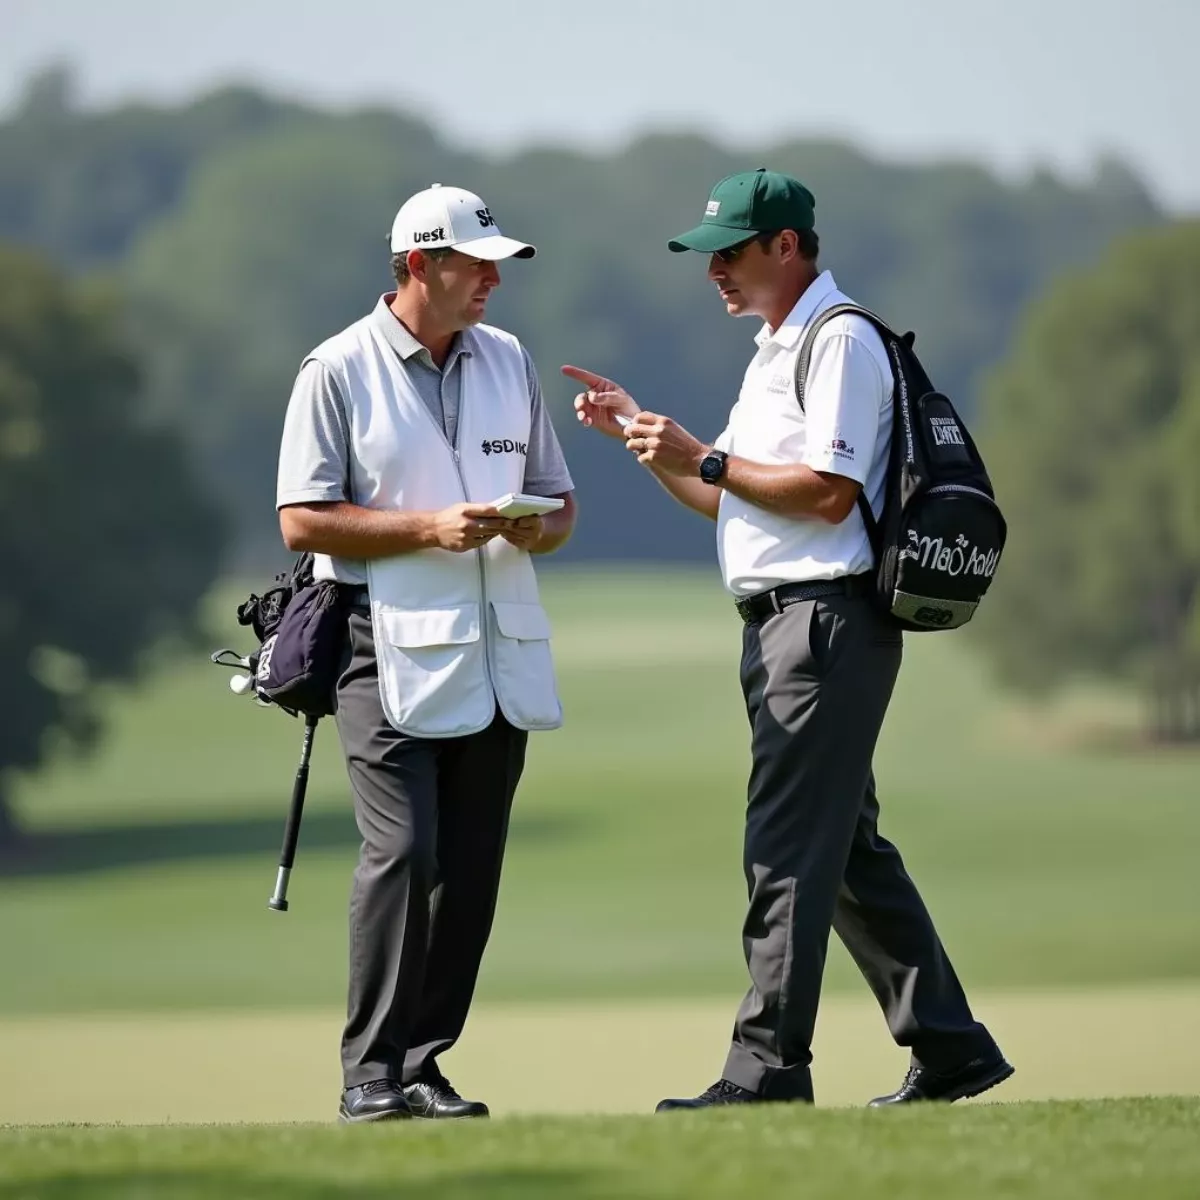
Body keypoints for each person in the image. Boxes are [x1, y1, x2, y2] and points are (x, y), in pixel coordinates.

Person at [564, 168, 1012, 1109]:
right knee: (844, 852)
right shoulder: (777, 346)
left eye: (730, 251)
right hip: (786, 627)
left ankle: (766, 1071)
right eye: (708, 256)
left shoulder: (838, 340)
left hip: (825, 624)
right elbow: (721, 493)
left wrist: (709, 455)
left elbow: (825, 492)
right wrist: (648, 447)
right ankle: (953, 1047)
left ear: (788, 245)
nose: (715, 270)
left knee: (784, 850)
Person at [278, 183, 576, 1123]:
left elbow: (557, 502)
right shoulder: (336, 368)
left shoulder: (510, 360)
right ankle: (369, 1072)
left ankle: (420, 1061)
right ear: (419, 265)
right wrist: (426, 529)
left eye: (497, 265)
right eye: (474, 263)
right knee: (404, 851)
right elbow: (302, 519)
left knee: (472, 869)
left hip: (495, 645)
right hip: (377, 639)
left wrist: (538, 533)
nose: (492, 279)